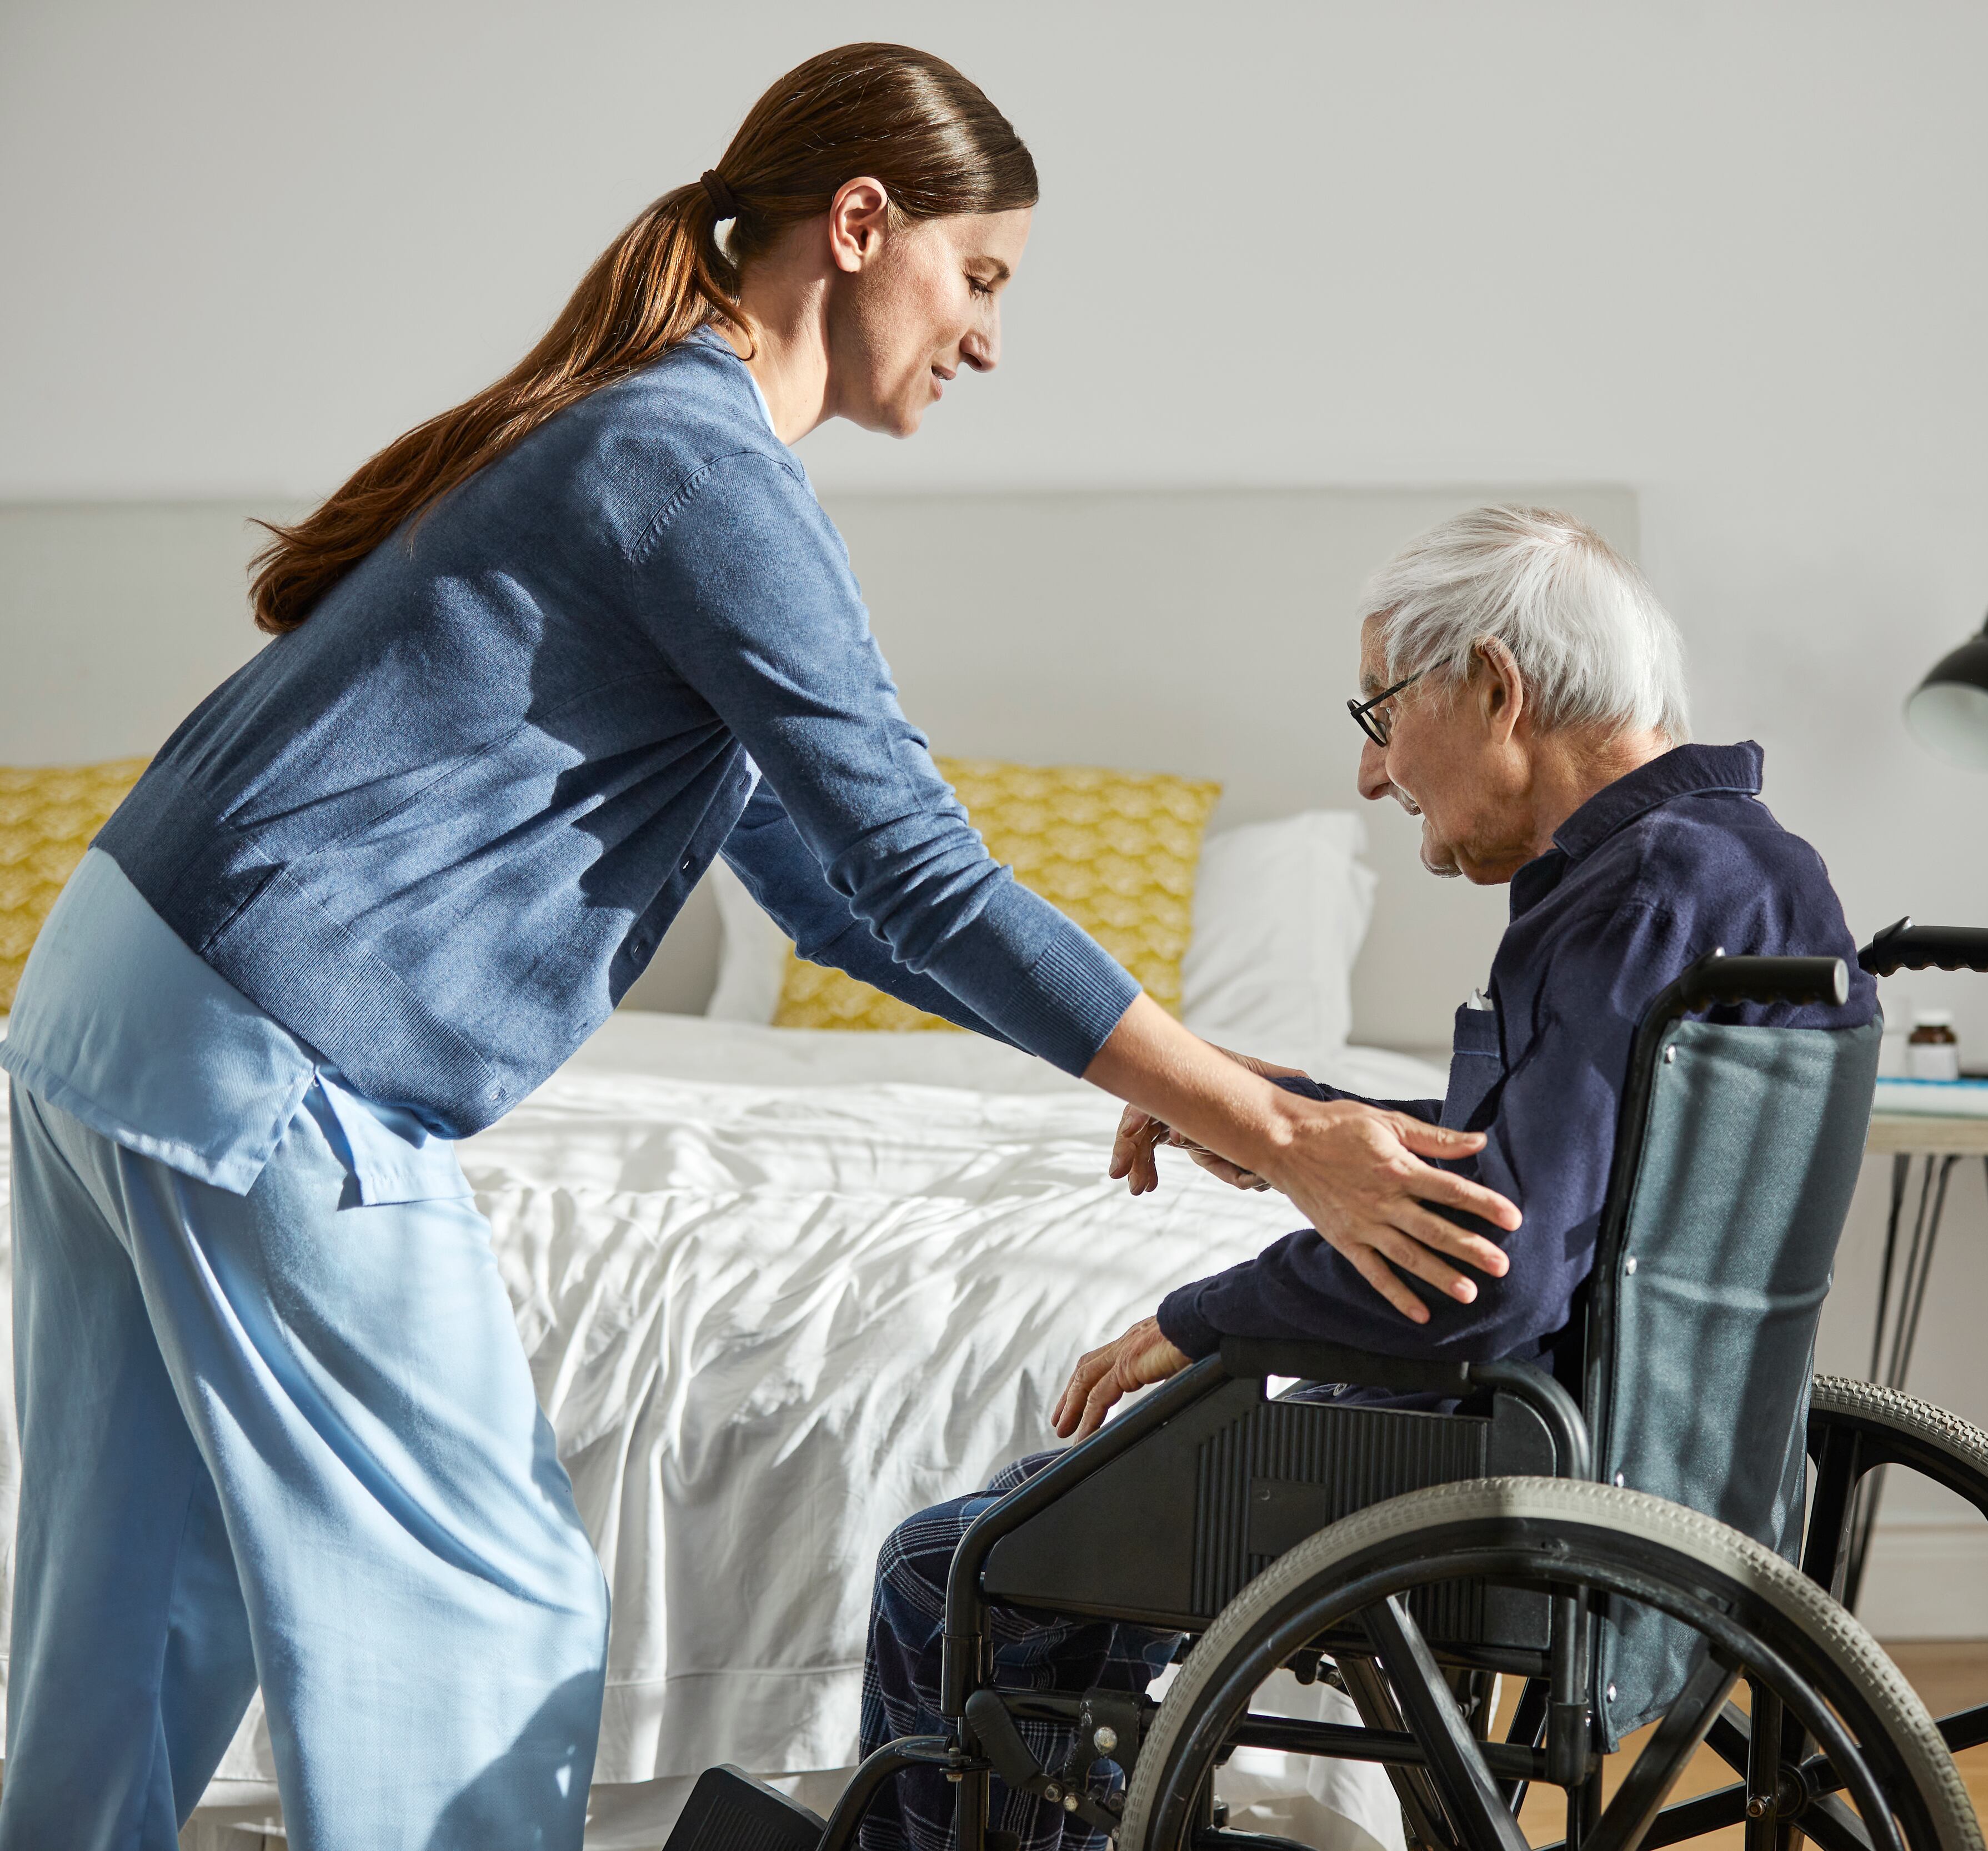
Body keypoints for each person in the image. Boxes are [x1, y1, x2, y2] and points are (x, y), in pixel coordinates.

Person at [0, 46, 1521, 1851]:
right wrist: (1278, 1137)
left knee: (136, 1608)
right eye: (985, 278)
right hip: (270, 1046)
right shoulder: (696, 464)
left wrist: (1222, 1081)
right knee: (485, 1613)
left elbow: (831, 896)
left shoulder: (641, 437)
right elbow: (925, 872)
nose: (991, 341)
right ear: (863, 225)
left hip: (108, 1002)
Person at [857, 505, 1877, 1851]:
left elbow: (1490, 1263)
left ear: (1497, 687)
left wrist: (1203, 1315)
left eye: (1383, 709)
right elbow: (1553, 1163)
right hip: (1641, 1443)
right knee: (1054, 1529)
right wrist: (1284, 1113)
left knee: (955, 1562)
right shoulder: (1738, 866)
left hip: (1501, 1454)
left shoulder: (1633, 891)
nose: (1368, 768)